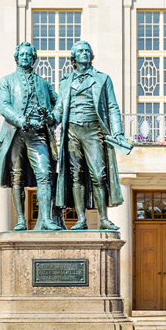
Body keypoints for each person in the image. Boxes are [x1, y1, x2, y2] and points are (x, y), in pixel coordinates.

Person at [52, 40, 129, 230]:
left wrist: (117, 131)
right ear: (73, 57)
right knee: (75, 175)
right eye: (80, 51)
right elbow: (59, 110)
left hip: (93, 130)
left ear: (91, 55)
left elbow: (112, 107)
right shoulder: (65, 82)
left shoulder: (103, 79)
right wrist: (47, 119)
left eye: (87, 50)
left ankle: (103, 218)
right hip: (72, 131)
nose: (84, 53)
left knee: (99, 174)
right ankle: (81, 219)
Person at [0, 42, 61, 231]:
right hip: (15, 132)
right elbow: (5, 106)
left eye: (28, 55)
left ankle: (46, 219)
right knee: (17, 176)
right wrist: (21, 120)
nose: (25, 57)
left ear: (34, 59)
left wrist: (52, 117)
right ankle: (21, 220)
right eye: (22, 55)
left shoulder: (43, 83)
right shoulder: (6, 81)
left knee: (45, 174)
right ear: (16, 58)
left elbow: (60, 103)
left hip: (38, 133)